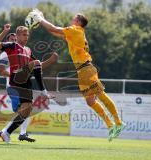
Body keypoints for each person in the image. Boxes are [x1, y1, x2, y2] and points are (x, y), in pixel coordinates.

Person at [30, 10, 126, 141]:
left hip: (86, 69)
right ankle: (110, 125)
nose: (72, 20)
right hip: (83, 71)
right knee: (90, 101)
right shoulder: (75, 33)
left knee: (100, 95)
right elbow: (54, 31)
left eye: (74, 18)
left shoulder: (75, 30)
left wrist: (40, 18)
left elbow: (54, 28)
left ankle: (119, 123)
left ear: (79, 21)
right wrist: (42, 20)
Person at [0, 24, 57, 143]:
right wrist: (4, 31)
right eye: (23, 35)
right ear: (17, 36)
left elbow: (38, 66)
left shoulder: (28, 50)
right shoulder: (12, 45)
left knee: (26, 110)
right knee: (36, 62)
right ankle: (44, 92)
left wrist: (50, 61)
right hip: (16, 78)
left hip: (25, 81)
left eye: (27, 35)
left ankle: (6, 133)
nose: (26, 37)